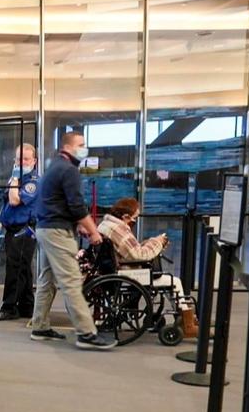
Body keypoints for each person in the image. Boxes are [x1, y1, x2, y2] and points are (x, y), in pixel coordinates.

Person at [28, 132, 117, 350]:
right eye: (81, 145)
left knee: (47, 279)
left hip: (46, 229)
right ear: (67, 147)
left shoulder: (54, 168)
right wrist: (94, 232)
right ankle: (86, 333)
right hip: (57, 232)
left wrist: (78, 225)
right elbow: (77, 207)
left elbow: (57, 203)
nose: (84, 148)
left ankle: (39, 326)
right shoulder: (68, 171)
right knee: (71, 281)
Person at [97, 198, 197, 335]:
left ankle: (185, 318)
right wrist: (158, 242)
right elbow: (140, 254)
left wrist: (149, 242)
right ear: (125, 217)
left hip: (116, 268)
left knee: (166, 279)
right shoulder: (119, 229)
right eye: (135, 218)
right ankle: (188, 323)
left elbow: (129, 250)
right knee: (174, 281)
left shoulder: (106, 224)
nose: (135, 221)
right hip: (126, 272)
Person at [0, 143, 39, 321]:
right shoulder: (15, 179)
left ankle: (9, 308)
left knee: (15, 270)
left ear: (34, 161)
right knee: (23, 270)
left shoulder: (33, 182)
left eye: (26, 159)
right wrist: (0, 227)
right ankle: (27, 306)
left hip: (24, 231)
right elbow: (7, 207)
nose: (22, 162)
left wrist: (15, 179)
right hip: (12, 229)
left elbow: (14, 201)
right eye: (18, 159)